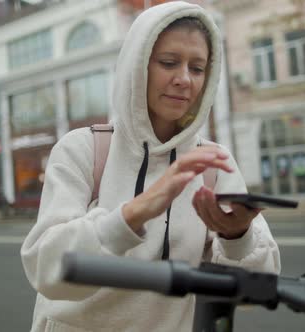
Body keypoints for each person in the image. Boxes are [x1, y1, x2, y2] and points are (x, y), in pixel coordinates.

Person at [21, 2, 280, 331]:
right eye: (169, 63)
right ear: (137, 64)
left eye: (198, 68)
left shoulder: (213, 164)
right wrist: (132, 214)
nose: (184, 79)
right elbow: (45, 272)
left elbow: (257, 293)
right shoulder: (83, 150)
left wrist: (237, 236)